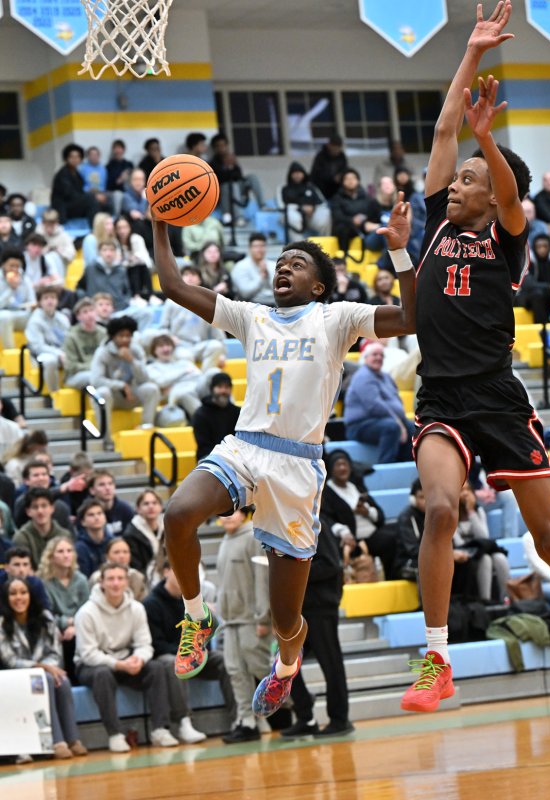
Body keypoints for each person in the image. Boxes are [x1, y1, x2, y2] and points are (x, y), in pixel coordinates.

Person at [151, 179, 415, 721]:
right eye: (281, 262)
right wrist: (160, 223)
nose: (283, 268)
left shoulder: (337, 318)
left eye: (297, 263)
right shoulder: (252, 316)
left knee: (285, 614)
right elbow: (174, 285)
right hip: (245, 447)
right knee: (178, 514)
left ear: (319, 286)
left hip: (298, 466)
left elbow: (412, 318)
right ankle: (196, 617)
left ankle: (288, 662)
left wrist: (399, 251)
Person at [399, 2, 550, 713]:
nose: (458, 184)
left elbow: (510, 196)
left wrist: (491, 145)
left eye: (470, 178)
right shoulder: (434, 225)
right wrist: (470, 53)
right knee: (440, 509)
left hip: (499, 398)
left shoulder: (506, 236)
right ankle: (436, 659)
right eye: (461, 177)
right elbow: (444, 126)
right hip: (441, 399)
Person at [75, 561, 179, 751]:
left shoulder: (136, 609)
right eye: (111, 579)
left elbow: (145, 644)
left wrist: (139, 659)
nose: (116, 583)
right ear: (102, 582)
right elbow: (88, 654)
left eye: (120, 579)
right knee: (102, 674)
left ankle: (160, 730)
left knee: (156, 668)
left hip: (126, 659)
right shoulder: (86, 613)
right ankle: (115, 734)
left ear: (127, 582)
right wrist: (118, 664)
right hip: (92, 665)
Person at [144, 561, 236, 743]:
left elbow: (204, 635)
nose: (184, 577)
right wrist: (187, 654)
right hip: (166, 656)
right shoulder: (151, 603)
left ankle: (239, 717)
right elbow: (156, 644)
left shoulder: (195, 602)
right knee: (175, 663)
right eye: (178, 571)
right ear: (166, 572)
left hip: (195, 654)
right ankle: (183, 722)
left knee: (225, 659)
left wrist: (199, 650)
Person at [280, 517, 353, 738]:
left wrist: (294, 572)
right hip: (301, 608)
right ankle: (306, 717)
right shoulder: (289, 527)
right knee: (285, 664)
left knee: (331, 663)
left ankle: (340, 719)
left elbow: (331, 564)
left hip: (321, 607)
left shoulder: (316, 525)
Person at [0, 576, 87, 759]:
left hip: (46, 670)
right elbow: (9, 660)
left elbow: (55, 652)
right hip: (16, 678)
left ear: (31, 595)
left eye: (23, 592)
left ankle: (73, 739)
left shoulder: (45, 618)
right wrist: (40, 668)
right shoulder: (2, 623)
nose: (19, 598)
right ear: (6, 598)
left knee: (61, 681)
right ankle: (56, 741)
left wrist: (49, 668)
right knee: (45, 680)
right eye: (13, 594)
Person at [215, 507, 272, 743]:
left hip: (251, 618)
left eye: (233, 511)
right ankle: (247, 721)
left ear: (244, 513)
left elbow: (262, 579)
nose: (227, 515)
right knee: (236, 672)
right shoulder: (225, 541)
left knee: (260, 668)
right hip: (231, 620)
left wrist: (263, 616)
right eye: (223, 512)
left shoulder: (253, 538)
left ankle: (296, 703)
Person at [320, 449, 399, 582]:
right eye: (338, 465)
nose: (342, 468)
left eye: (345, 464)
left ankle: (396, 577)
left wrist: (367, 511)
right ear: (331, 469)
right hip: (351, 539)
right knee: (390, 540)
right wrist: (343, 532)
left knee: (398, 529)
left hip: (372, 534)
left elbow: (380, 515)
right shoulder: (327, 492)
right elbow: (326, 519)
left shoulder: (356, 487)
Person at [89, 315, 161, 448]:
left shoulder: (136, 350)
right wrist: (121, 385)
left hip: (131, 395)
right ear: (113, 336)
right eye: (121, 336)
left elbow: (144, 378)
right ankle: (106, 440)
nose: (125, 339)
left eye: (128, 336)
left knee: (152, 389)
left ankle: (145, 430)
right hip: (112, 396)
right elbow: (96, 380)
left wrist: (132, 361)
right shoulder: (102, 352)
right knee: (102, 393)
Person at [344, 341, 414, 463]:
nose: (378, 358)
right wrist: (398, 422)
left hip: (382, 420)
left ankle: (405, 463)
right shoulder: (363, 376)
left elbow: (396, 400)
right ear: (365, 358)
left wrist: (401, 420)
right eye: (375, 354)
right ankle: (386, 465)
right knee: (391, 427)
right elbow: (374, 406)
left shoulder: (386, 377)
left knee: (413, 428)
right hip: (360, 425)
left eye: (381, 355)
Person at [38, 536, 90, 680]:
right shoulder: (44, 583)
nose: (66, 555)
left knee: (74, 639)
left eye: (69, 551)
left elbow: (87, 611)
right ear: (51, 556)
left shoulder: (81, 580)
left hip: (79, 629)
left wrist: (75, 626)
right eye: (60, 551)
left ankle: (77, 680)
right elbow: (45, 614)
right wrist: (65, 623)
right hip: (52, 629)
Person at [453, 482, 510, 602]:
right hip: (463, 554)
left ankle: (506, 598)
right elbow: (458, 543)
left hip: (480, 550)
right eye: (461, 490)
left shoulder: (478, 511)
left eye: (468, 490)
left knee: (500, 557)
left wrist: (471, 512)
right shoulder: (451, 514)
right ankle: (486, 600)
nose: (465, 494)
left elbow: (484, 537)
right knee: (485, 559)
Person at [146, 334, 216, 418]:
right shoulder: (151, 368)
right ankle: (207, 420)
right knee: (184, 393)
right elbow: (161, 382)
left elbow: (198, 375)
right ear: (154, 350)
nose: (166, 349)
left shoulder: (184, 362)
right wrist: (184, 372)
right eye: (161, 346)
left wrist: (172, 380)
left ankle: (232, 414)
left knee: (214, 373)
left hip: (197, 387)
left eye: (168, 345)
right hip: (181, 392)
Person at [208, 133, 265, 224]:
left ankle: (262, 205)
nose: (222, 148)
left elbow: (239, 175)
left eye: (223, 145)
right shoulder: (213, 163)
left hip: (238, 187)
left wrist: (232, 166)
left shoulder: (231, 158)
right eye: (219, 146)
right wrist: (228, 167)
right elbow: (222, 178)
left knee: (252, 177)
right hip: (224, 191)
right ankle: (239, 217)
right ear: (215, 148)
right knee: (231, 184)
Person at [24, 285, 70, 393]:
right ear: (40, 302)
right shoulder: (35, 320)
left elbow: (69, 340)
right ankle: (54, 394)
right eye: (46, 298)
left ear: (57, 301)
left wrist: (67, 353)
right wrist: (59, 353)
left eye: (53, 298)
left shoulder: (62, 318)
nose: (50, 301)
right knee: (50, 360)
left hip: (61, 352)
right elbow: (38, 347)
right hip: (39, 356)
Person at [13, 488, 70, 569]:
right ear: (28, 511)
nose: (40, 511)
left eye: (44, 506)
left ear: (52, 508)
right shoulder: (21, 537)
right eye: (35, 507)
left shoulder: (64, 535)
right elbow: (24, 569)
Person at [13, 460, 74, 532]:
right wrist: (60, 489)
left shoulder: (61, 507)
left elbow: (70, 534)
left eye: (44, 474)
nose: (41, 478)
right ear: (26, 481)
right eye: (36, 475)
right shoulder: (21, 502)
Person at [516, 233, 550, 323]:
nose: (542, 249)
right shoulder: (527, 259)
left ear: (549, 247)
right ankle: (542, 329)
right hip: (525, 296)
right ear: (534, 247)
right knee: (537, 294)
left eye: (545, 246)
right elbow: (528, 284)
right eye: (539, 246)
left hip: (546, 293)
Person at [330, 168, 382, 254]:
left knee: (380, 228)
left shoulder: (367, 198)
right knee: (343, 229)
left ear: (358, 180)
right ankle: (344, 258)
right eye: (347, 179)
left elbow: (375, 214)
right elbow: (337, 216)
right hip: (346, 227)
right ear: (343, 182)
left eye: (353, 178)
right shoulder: (337, 198)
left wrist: (365, 220)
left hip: (364, 225)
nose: (351, 181)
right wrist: (352, 220)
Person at [191, 371, 241, 462]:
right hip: (209, 457)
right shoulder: (200, 414)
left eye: (227, 387)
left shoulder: (238, 412)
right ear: (212, 389)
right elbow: (204, 446)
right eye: (219, 387)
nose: (223, 391)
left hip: (234, 457)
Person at [63, 297, 107, 390]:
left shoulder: (104, 333)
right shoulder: (71, 336)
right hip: (75, 376)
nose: (89, 315)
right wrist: (95, 367)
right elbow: (71, 366)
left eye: (91, 310)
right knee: (94, 377)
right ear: (78, 317)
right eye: (85, 312)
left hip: (100, 372)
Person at [51, 143, 100, 224]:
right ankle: (94, 229)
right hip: (63, 208)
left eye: (77, 157)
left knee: (98, 201)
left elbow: (79, 192)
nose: (75, 159)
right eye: (72, 157)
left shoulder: (77, 173)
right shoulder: (63, 174)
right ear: (66, 158)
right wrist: (90, 196)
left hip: (72, 205)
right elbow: (70, 194)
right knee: (91, 199)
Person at [77, 240, 132, 312]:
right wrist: (86, 300)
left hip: (118, 310)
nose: (108, 254)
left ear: (116, 252)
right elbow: (79, 288)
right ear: (99, 252)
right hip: (95, 311)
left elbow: (127, 291)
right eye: (105, 250)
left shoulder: (121, 270)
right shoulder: (91, 268)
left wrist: (124, 303)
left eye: (111, 250)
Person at [122, 489, 165, 580]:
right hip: (144, 578)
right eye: (146, 504)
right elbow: (136, 566)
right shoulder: (131, 534)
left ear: (161, 507)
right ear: (138, 509)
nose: (151, 506)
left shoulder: (169, 527)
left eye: (154, 503)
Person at [280, 161, 331, 237]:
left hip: (311, 216)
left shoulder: (311, 187)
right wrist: (301, 208)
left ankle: (324, 243)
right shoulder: (284, 189)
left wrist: (312, 207)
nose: (297, 175)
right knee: (292, 216)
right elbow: (283, 205)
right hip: (294, 216)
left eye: (299, 172)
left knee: (326, 212)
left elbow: (321, 202)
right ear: (290, 175)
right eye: (294, 173)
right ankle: (299, 246)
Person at [89, 536, 147, 601]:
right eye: (116, 552)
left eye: (125, 552)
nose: (122, 556)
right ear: (107, 556)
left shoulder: (137, 577)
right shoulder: (97, 577)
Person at [0, 248, 35, 348]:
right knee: (4, 316)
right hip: (3, 316)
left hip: (21, 315)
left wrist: (32, 307)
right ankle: (11, 354)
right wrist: (11, 289)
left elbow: (32, 301)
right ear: (3, 265)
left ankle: (35, 353)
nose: (15, 269)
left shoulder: (25, 279)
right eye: (11, 266)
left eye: (17, 266)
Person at [230, 233, 276, 305]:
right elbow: (245, 293)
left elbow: (277, 289)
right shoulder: (240, 266)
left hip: (274, 304)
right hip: (250, 306)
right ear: (250, 248)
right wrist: (261, 276)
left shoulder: (273, 265)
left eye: (262, 246)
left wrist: (267, 274)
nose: (259, 249)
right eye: (256, 246)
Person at [0, 545, 52, 610]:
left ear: (30, 567)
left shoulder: (35, 584)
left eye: (25, 564)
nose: (22, 570)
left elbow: (45, 609)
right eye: (17, 565)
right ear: (7, 568)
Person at [86, 470, 133, 537]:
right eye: (102, 485)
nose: (107, 488)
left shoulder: (125, 509)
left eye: (110, 484)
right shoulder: (86, 511)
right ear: (92, 490)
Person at [310, 133, 348, 201]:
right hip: (322, 190)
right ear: (329, 145)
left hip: (337, 190)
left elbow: (345, 169)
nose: (336, 150)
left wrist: (341, 176)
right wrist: (332, 178)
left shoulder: (342, 156)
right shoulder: (320, 156)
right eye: (334, 147)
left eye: (338, 147)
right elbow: (316, 174)